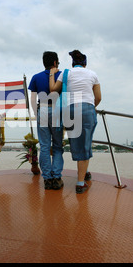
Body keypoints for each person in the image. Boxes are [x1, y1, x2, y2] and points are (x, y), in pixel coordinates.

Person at [49, 50, 101, 194]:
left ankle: (85, 172)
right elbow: (98, 97)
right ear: (85, 63)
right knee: (86, 142)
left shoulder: (65, 73)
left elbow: (53, 89)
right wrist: (89, 107)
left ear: (73, 63)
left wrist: (52, 73)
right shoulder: (92, 74)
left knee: (77, 142)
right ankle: (80, 183)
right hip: (86, 109)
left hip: (70, 110)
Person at [28, 51, 64, 190]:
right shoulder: (61, 76)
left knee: (44, 146)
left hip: (42, 109)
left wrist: (36, 115)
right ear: (55, 62)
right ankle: (56, 177)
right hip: (56, 110)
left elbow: (32, 99)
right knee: (57, 146)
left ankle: (47, 179)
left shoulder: (36, 77)